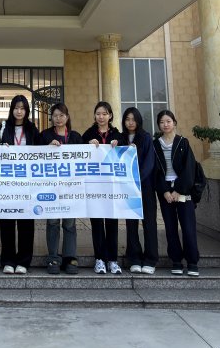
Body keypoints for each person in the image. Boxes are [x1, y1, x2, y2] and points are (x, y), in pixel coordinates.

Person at [153, 109, 200, 276]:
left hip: (183, 191)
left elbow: (189, 168)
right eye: (162, 122)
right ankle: (176, 261)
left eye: (168, 121)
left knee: (188, 227)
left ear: (174, 123)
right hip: (165, 191)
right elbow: (155, 171)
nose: (165, 125)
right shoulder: (155, 144)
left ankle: (192, 262)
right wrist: (165, 191)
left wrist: (178, 190)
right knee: (170, 227)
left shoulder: (183, 142)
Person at [0, 94, 40, 274]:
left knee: (26, 223)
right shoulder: (3, 128)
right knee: (6, 222)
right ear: (11, 109)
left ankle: (23, 261)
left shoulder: (32, 129)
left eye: (22, 108)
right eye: (16, 108)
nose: (19, 111)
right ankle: (8, 260)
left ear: (27, 111)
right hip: (7, 182)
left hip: (27, 182)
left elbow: (40, 152)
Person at [40, 102, 82, 275]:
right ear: (51, 118)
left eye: (62, 115)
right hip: (51, 187)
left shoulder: (76, 137)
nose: (58, 119)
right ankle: (53, 257)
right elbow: (34, 157)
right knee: (52, 222)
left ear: (67, 117)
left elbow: (85, 158)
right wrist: (47, 148)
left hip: (71, 187)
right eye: (55, 116)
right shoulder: (44, 136)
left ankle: (70, 257)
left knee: (70, 223)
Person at [81, 101, 122, 275]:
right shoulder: (88, 134)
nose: (101, 117)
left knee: (112, 222)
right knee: (97, 223)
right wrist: (87, 145)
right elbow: (79, 153)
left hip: (112, 187)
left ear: (110, 115)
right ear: (94, 116)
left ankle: (112, 259)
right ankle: (99, 259)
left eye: (104, 113)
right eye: (98, 113)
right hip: (94, 186)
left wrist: (120, 145)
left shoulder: (118, 135)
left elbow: (126, 154)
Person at [119, 107, 158, 275]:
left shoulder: (146, 137)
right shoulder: (120, 138)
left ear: (138, 121)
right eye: (127, 119)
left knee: (149, 222)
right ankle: (134, 258)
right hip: (128, 188)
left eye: (133, 119)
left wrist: (138, 180)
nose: (130, 122)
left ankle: (150, 259)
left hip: (145, 186)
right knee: (131, 223)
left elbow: (149, 162)